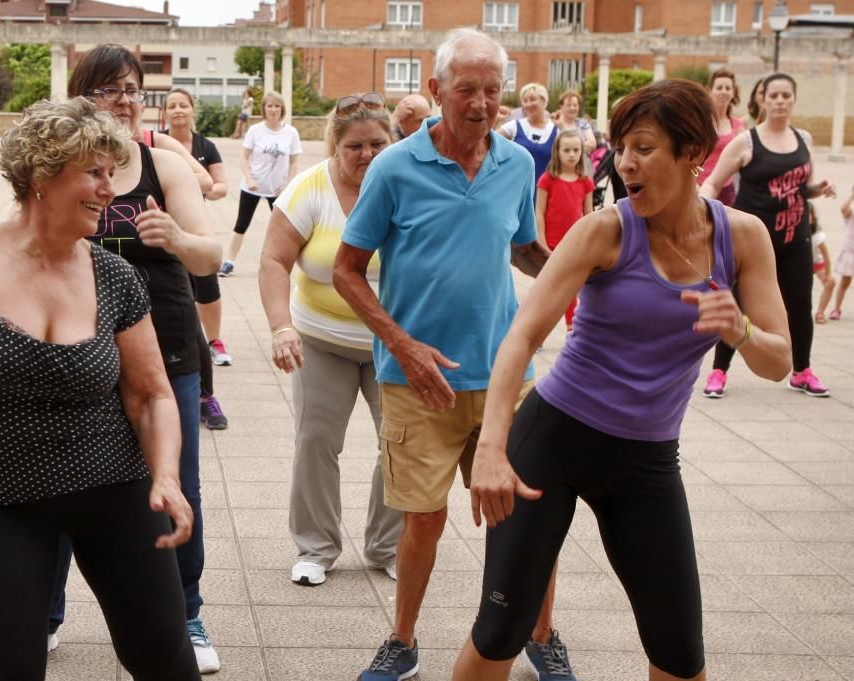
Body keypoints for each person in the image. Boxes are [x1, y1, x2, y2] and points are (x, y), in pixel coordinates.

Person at [451, 78, 792, 681]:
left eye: (643, 148)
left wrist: (737, 328)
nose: (625, 164)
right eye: (620, 149)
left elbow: (778, 360)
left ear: (693, 154)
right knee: (499, 635)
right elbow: (522, 337)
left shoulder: (742, 238)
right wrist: (492, 448)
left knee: (681, 656)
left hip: (646, 462)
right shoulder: (603, 231)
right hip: (552, 444)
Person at [0, 97, 203, 681]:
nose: (109, 188)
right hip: (3, 502)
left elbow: (152, 393)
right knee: (5, 669)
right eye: (93, 172)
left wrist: (165, 475)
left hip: (116, 488)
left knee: (165, 661)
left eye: (113, 172)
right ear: (40, 174)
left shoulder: (116, 274)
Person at [333, 29, 567, 681]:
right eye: (467, 89)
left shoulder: (517, 164)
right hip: (418, 379)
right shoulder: (394, 167)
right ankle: (403, 642)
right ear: (436, 91)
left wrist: (574, 270)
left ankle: (541, 636)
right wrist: (403, 347)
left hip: (502, 376)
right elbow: (348, 270)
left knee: (527, 516)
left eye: (494, 91)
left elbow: (523, 246)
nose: (482, 103)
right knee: (423, 520)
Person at [66, 44, 224, 674]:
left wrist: (178, 238)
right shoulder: (64, 167)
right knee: (59, 478)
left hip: (168, 347)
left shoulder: (165, 164)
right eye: (110, 90)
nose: (126, 101)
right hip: (78, 351)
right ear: (84, 99)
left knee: (178, 481)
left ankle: (186, 609)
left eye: (133, 88)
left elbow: (209, 257)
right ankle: (45, 612)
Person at [258, 92, 403, 587]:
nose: (367, 155)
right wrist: (281, 328)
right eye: (355, 146)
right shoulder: (309, 189)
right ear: (334, 147)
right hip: (321, 338)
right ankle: (316, 547)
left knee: (400, 446)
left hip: (395, 343)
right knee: (316, 440)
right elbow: (274, 261)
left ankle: (388, 546)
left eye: (378, 145)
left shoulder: (409, 187)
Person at [700, 72, 836, 398]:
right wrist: (705, 209)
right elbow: (714, 182)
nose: (779, 101)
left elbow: (800, 187)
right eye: (773, 96)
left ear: (793, 99)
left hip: (795, 237)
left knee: (800, 304)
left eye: (785, 96)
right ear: (763, 99)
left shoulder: (803, 139)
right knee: (739, 303)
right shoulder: (747, 141)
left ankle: (801, 371)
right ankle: (719, 371)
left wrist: (819, 189)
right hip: (754, 241)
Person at [162, 87, 235, 422]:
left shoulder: (204, 146)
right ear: (164, 112)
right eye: (171, 105)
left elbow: (216, 185)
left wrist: (200, 187)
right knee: (182, 308)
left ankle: (215, 342)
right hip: (163, 233)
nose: (178, 110)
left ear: (192, 110)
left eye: (183, 105)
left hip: (195, 226)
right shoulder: (157, 143)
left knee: (207, 288)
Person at [220, 91, 302, 277]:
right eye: (269, 106)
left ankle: (285, 264)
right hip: (252, 187)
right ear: (264, 109)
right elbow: (243, 156)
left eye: (277, 106)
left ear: (282, 109)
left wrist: (288, 185)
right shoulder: (255, 130)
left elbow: (294, 161)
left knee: (285, 229)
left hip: (278, 191)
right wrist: (249, 179)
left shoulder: (291, 133)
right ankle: (229, 262)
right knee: (241, 224)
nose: (273, 109)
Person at [536, 130, 594, 332]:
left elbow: (589, 216)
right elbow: (539, 212)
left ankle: (571, 329)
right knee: (547, 290)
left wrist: (589, 243)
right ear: (557, 152)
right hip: (551, 244)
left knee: (570, 289)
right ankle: (538, 330)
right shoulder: (547, 179)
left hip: (574, 244)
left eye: (576, 150)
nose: (571, 154)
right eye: (566, 150)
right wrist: (541, 240)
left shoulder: (585, 181)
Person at [698, 69, 746, 206]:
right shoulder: (700, 122)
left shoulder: (739, 125)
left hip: (726, 189)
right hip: (698, 187)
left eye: (728, 88)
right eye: (719, 88)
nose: (724, 92)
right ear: (710, 91)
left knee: (725, 227)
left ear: (733, 92)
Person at [498, 82, 557, 182]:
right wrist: (497, 119)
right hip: (516, 187)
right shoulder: (514, 126)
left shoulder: (555, 131)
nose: (528, 104)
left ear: (544, 101)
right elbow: (488, 141)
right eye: (525, 101)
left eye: (532, 99)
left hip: (544, 191)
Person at [827, 186, 854, 320]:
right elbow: (843, 209)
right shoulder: (851, 212)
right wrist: (852, 195)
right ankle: (837, 309)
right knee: (845, 282)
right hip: (850, 252)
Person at [809, 206, 836, 324]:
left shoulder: (817, 236)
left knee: (830, 284)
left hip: (817, 263)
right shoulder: (795, 233)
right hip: (802, 264)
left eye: (808, 215)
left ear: (813, 219)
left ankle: (820, 312)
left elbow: (826, 256)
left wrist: (828, 274)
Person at [553, 89, 596, 156]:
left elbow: (592, 144)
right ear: (561, 106)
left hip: (582, 162)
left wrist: (567, 147)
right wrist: (580, 145)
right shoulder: (554, 123)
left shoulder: (583, 123)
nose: (572, 108)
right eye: (568, 105)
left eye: (575, 105)